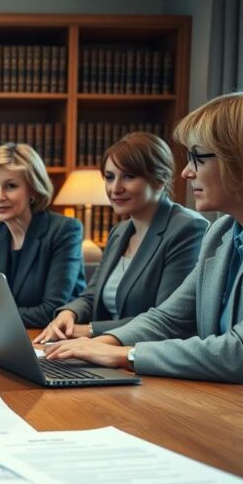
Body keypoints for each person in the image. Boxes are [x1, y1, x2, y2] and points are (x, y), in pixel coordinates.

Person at [46, 86, 243, 420]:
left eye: (198, 158)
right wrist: (100, 344)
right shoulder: (221, 231)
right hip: (238, 414)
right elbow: (169, 318)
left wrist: (126, 355)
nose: (186, 172)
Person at [35, 133, 208, 343]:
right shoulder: (119, 232)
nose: (115, 188)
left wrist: (90, 330)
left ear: (159, 179)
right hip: (100, 351)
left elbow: (166, 320)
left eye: (128, 176)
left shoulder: (187, 229)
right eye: (109, 177)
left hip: (143, 357)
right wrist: (69, 314)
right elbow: (90, 297)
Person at [0, 143, 84, 333]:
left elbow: (51, 310)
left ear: (34, 190)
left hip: (51, 340)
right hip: (6, 337)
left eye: (10, 186)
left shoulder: (64, 230)